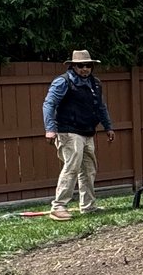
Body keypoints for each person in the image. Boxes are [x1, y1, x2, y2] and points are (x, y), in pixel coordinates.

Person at [42, 50, 116, 221]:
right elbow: (49, 104)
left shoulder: (95, 84)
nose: (85, 69)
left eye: (88, 65)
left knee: (89, 169)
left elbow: (100, 107)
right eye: (80, 65)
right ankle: (58, 207)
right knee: (72, 167)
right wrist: (50, 129)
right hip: (68, 131)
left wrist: (108, 126)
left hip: (87, 132)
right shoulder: (63, 82)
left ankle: (88, 206)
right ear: (73, 66)